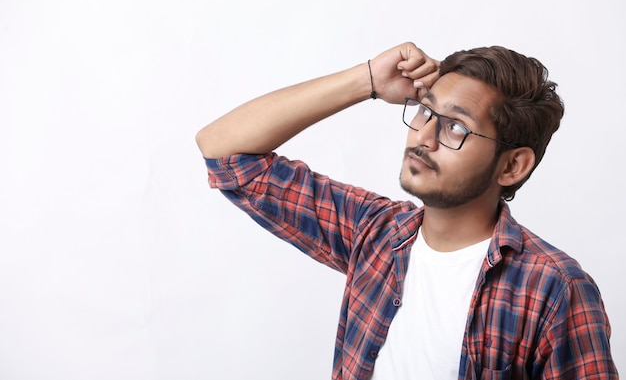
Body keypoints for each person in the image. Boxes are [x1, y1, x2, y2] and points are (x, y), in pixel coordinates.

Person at [196, 42, 618, 379]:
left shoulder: (555, 289)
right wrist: (367, 81)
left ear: (512, 165)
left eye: (455, 126)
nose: (424, 137)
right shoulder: (376, 232)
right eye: (424, 111)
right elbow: (225, 152)